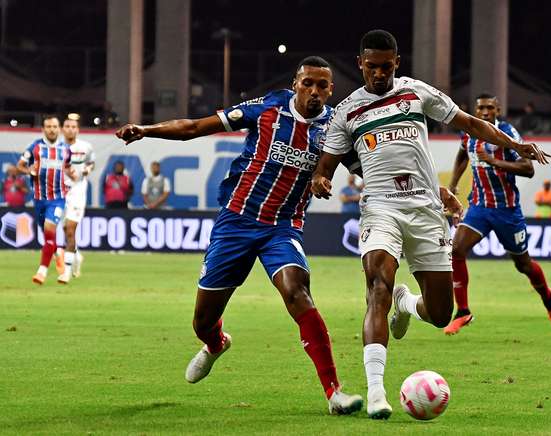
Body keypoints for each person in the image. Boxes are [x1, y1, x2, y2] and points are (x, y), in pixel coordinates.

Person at [310, 30, 550, 419]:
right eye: (371, 67)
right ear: (360, 64)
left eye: (386, 67)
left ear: (397, 63)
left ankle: (407, 303)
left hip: (425, 212)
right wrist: (321, 179)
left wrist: (514, 144)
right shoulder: (346, 112)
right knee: (377, 287)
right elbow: (326, 166)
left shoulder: (416, 92)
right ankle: (376, 393)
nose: (379, 74)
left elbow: (470, 123)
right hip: (381, 209)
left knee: (440, 314)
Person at [115, 56, 364, 415]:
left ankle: (334, 393)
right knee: (202, 322)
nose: (313, 91)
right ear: (296, 83)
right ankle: (216, 344)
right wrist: (146, 130)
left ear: (331, 90)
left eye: (321, 85)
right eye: (307, 82)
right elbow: (194, 127)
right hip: (236, 222)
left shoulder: (335, 129)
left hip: (283, 226)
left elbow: (368, 168)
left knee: (298, 293)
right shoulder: (266, 108)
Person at [444, 92, 551, 336]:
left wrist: (495, 162)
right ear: (476, 111)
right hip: (479, 207)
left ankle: (548, 299)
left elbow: (528, 169)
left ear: (497, 110)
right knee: (456, 249)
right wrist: (454, 184)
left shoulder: (507, 133)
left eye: (489, 108)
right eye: (481, 108)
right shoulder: (469, 131)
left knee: (524, 265)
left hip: (506, 210)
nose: (485, 112)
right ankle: (463, 311)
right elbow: (463, 153)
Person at [16, 115, 72, 284]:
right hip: (39, 199)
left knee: (49, 230)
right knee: (48, 237)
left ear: (59, 129)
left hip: (57, 199)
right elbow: (19, 166)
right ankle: (59, 252)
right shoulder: (35, 148)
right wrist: (29, 171)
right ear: (43, 129)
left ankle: (42, 271)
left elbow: (68, 168)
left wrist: (71, 178)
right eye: (48, 126)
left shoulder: (65, 150)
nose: (52, 129)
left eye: (55, 126)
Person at [58, 114, 95, 284]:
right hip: (58, 192)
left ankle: (65, 271)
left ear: (78, 130)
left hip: (77, 192)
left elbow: (91, 163)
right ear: (62, 129)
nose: (70, 129)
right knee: (65, 230)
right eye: (67, 126)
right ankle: (76, 256)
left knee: (71, 230)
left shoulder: (85, 147)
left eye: (74, 127)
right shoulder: (56, 148)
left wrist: (87, 169)